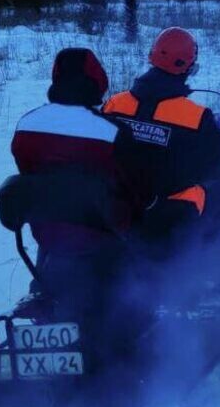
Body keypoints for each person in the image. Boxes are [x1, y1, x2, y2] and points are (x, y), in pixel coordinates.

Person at [8, 47, 140, 319]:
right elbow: (133, 185)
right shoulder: (111, 132)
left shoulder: (26, 126)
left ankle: (46, 294)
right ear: (98, 81)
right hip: (105, 233)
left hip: (49, 232)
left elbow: (29, 172)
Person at [103, 27, 220, 242]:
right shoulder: (196, 117)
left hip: (123, 205)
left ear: (152, 56)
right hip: (173, 214)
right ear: (188, 67)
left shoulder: (114, 104)